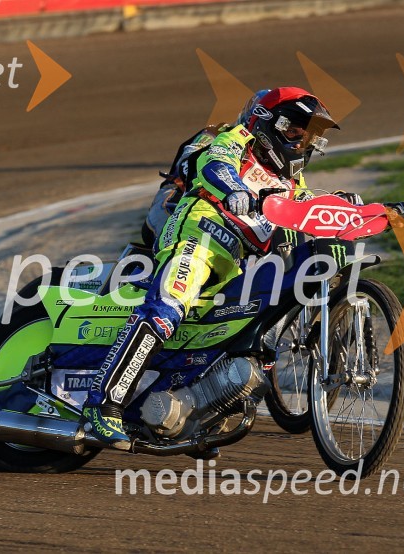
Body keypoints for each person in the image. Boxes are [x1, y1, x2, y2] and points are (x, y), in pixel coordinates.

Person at [82, 86, 358, 449]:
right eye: (295, 131)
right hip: (199, 236)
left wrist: (350, 207)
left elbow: (305, 203)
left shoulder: (290, 180)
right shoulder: (236, 140)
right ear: (268, 123)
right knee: (167, 309)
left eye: (309, 137)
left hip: (235, 261)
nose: (302, 142)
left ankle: (193, 414)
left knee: (222, 333)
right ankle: (103, 405)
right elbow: (215, 164)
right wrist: (233, 189)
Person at [141, 89, 270, 247]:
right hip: (177, 199)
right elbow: (188, 163)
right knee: (179, 238)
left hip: (230, 211)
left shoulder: (271, 158)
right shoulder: (215, 134)